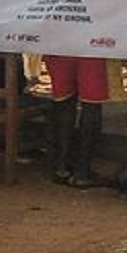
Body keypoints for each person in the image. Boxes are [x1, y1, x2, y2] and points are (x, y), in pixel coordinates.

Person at [42, 55, 112, 189]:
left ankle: (61, 168)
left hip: (58, 45)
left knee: (64, 102)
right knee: (91, 105)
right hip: (92, 45)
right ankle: (82, 173)